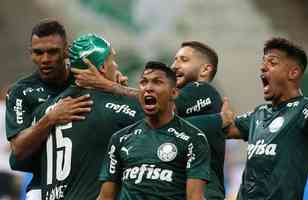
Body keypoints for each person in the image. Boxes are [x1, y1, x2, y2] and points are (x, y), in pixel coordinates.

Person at [72, 41, 225, 199]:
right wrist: (217, 121)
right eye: (175, 59)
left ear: (205, 69)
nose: (174, 65)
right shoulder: (126, 137)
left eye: (184, 60)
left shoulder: (203, 90)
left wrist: (109, 86)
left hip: (207, 191)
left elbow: (165, 108)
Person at [33, 33, 145, 200]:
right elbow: (163, 107)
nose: (116, 65)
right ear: (102, 68)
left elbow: (18, 161)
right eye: (112, 60)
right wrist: (115, 89)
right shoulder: (116, 107)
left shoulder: (44, 110)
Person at [98, 61, 211, 200]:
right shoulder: (120, 139)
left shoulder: (193, 138)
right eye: (143, 82)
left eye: (157, 82)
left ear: (174, 93)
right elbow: (105, 197)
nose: (148, 88)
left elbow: (195, 197)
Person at [5, 19, 92, 199]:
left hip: (87, 182)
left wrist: (114, 87)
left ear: (66, 50)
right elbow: (18, 149)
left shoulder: (87, 80)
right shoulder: (21, 92)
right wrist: (50, 118)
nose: (45, 59)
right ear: (31, 54)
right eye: (38, 52)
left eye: (52, 52)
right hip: (42, 184)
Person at [225, 37, 308, 199]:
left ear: (293, 73)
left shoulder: (303, 110)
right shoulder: (259, 114)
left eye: (272, 62)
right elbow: (223, 129)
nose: (263, 67)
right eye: (263, 62)